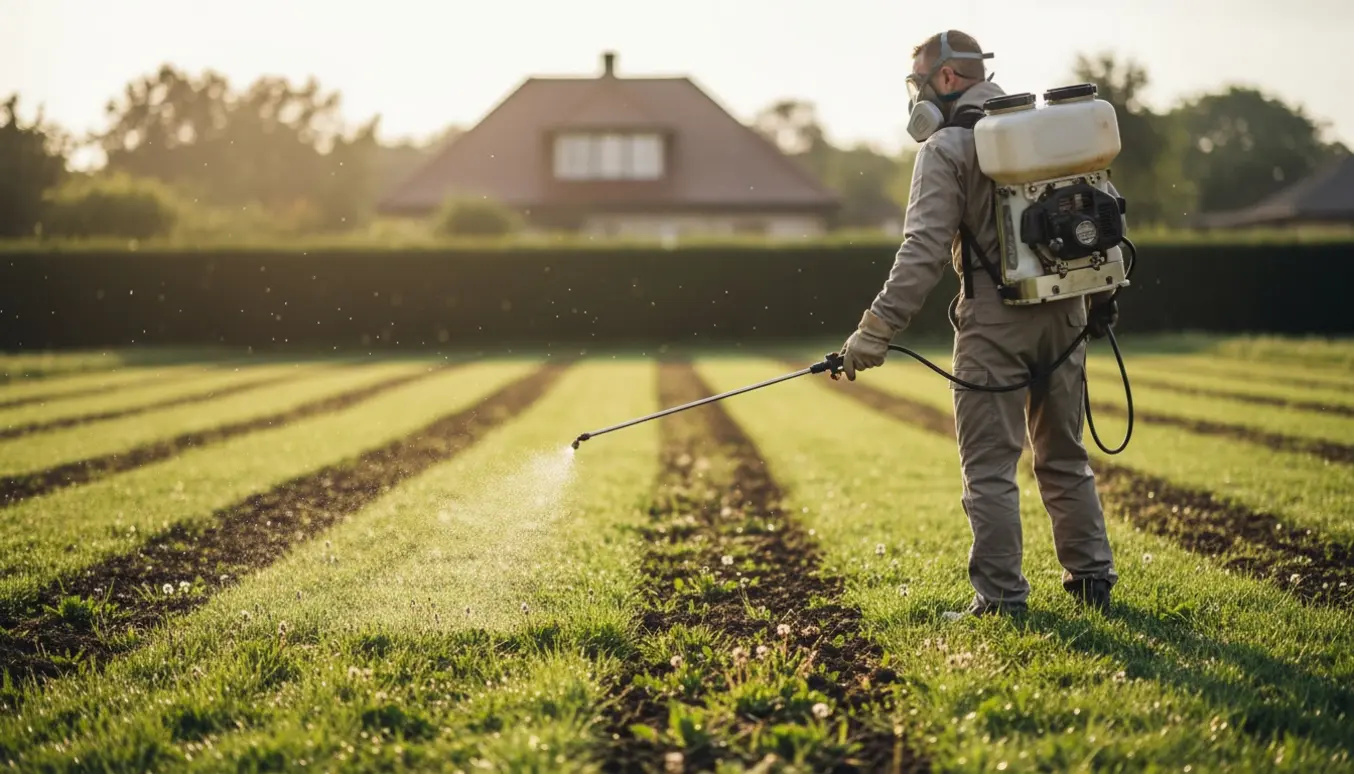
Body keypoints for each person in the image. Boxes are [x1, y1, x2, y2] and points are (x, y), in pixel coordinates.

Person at [838, 30, 1120, 619]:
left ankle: (1000, 598)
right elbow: (1100, 218)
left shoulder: (944, 149)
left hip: (995, 321)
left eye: (918, 82)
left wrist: (874, 332)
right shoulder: (1053, 127)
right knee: (1064, 456)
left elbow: (922, 251)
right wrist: (1098, 304)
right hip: (1068, 309)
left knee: (990, 467)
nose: (916, 95)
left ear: (945, 79)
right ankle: (1092, 578)